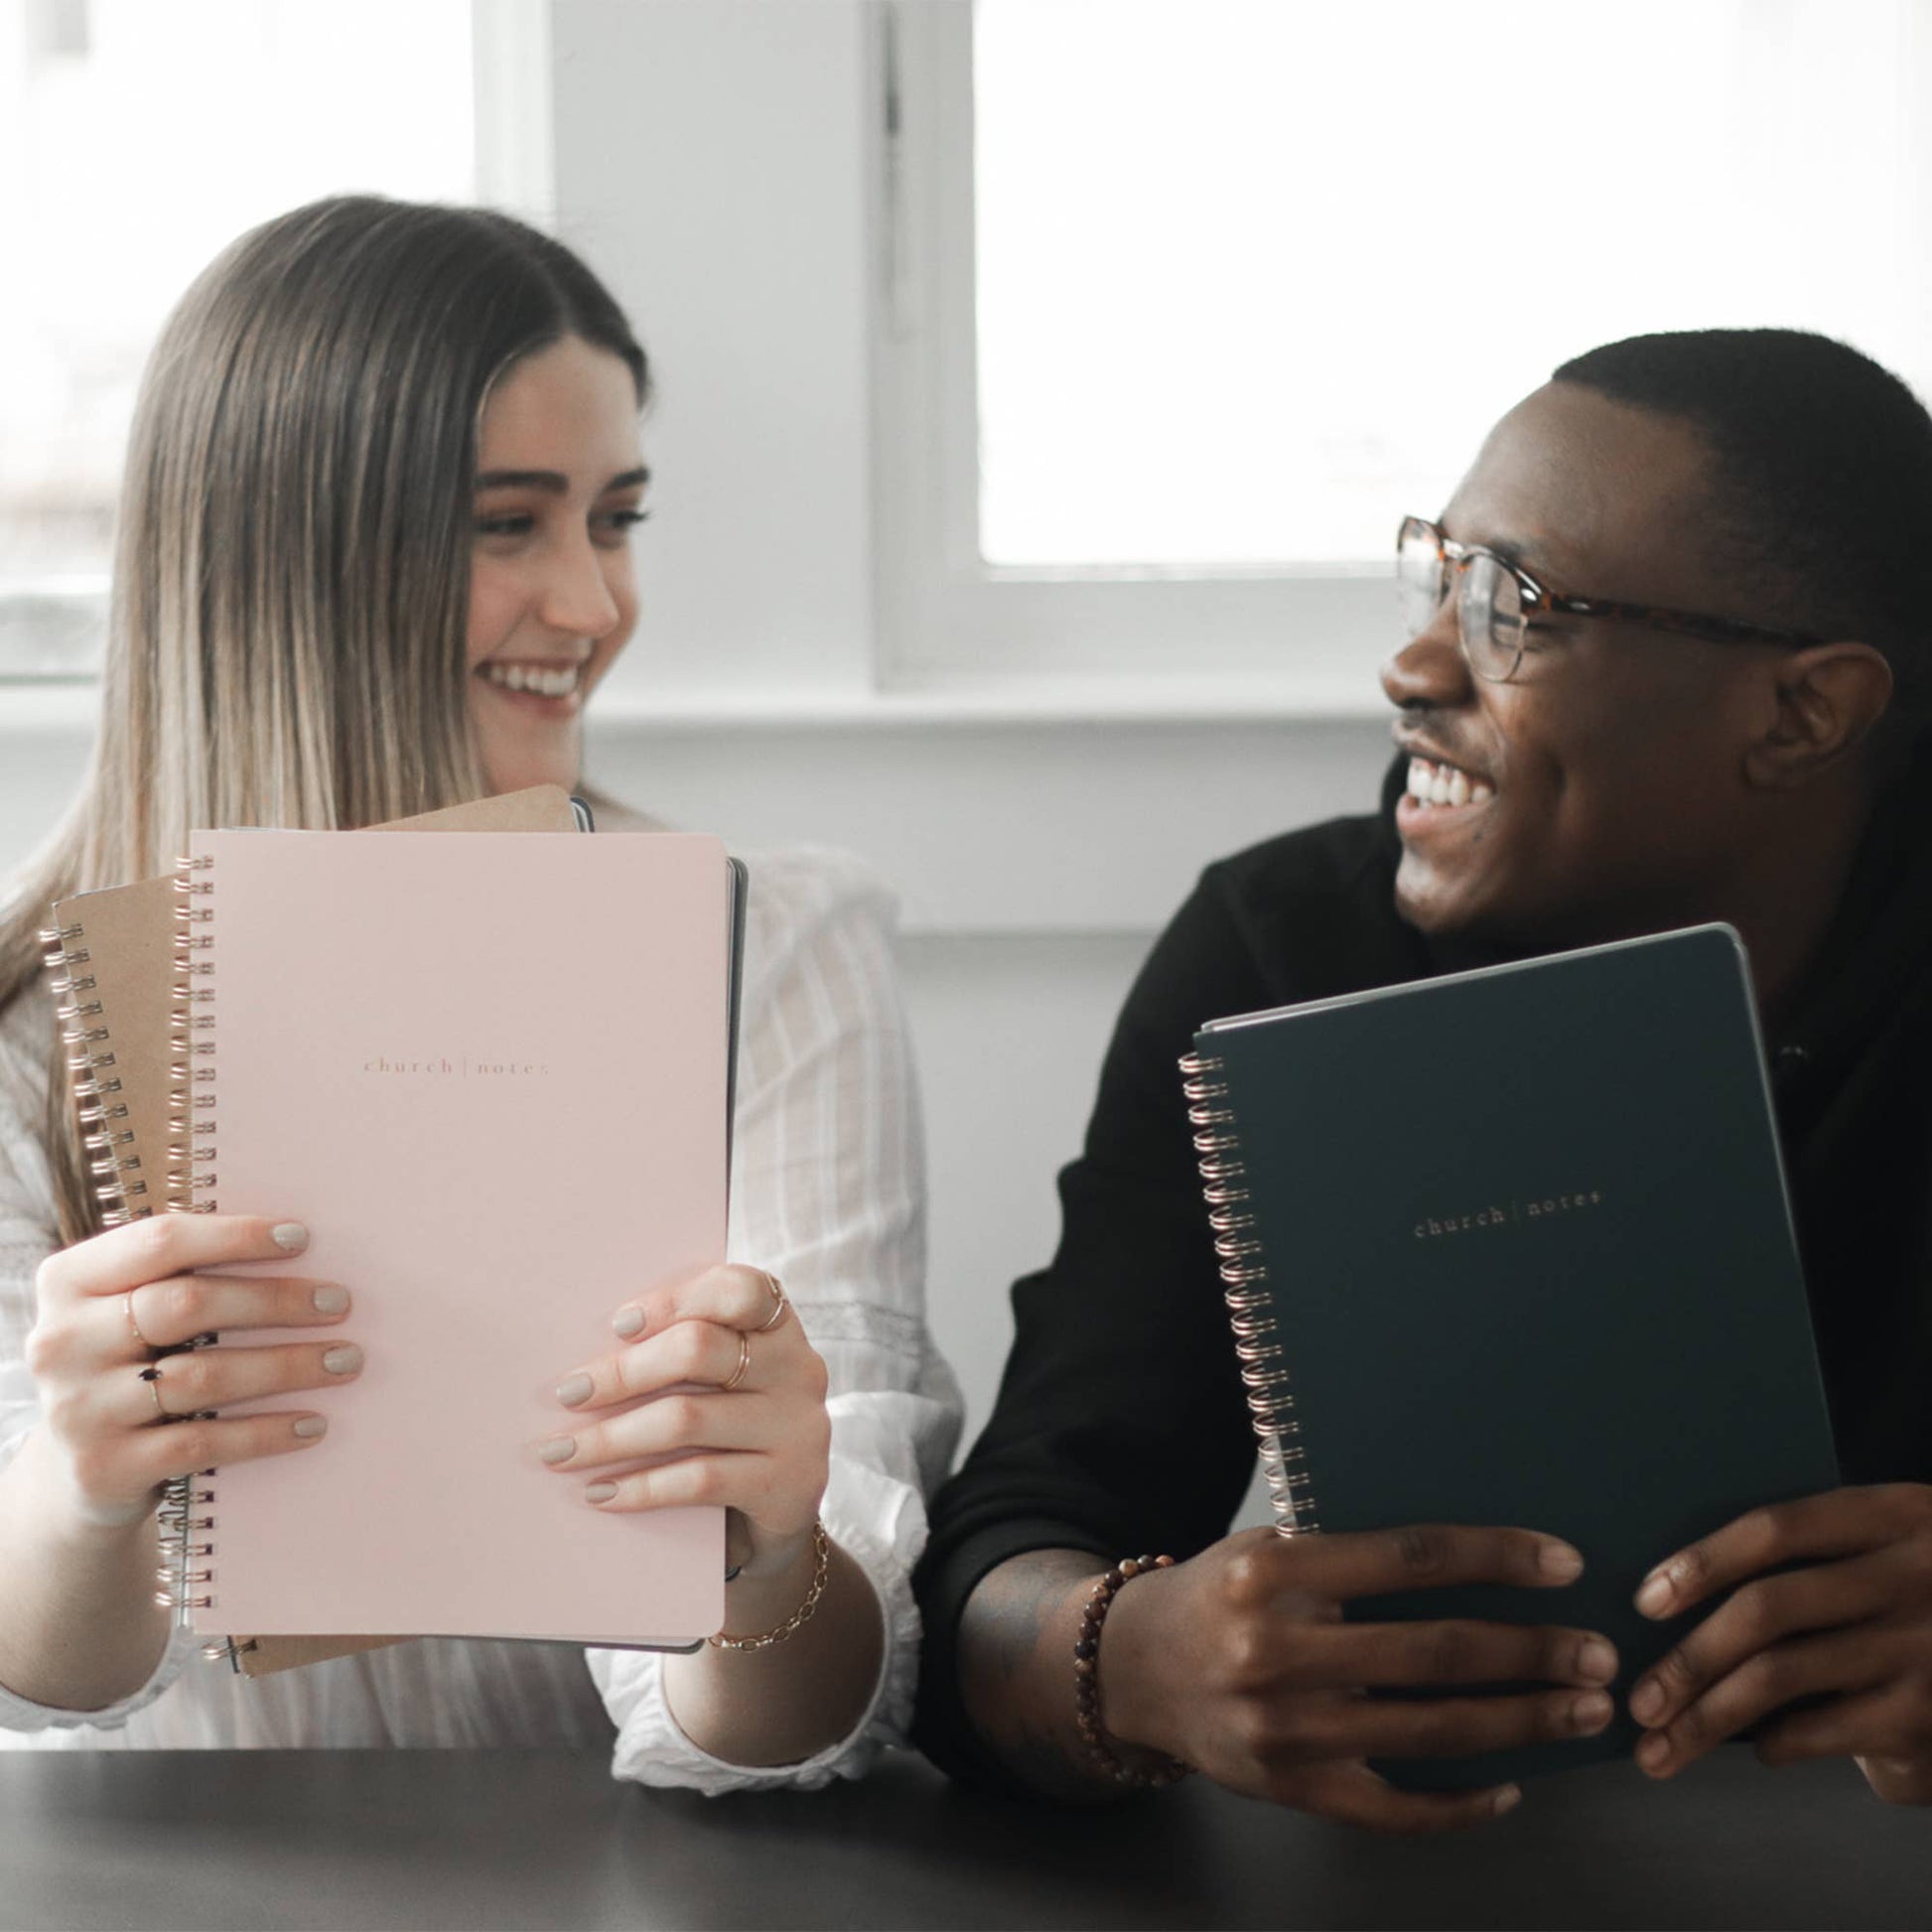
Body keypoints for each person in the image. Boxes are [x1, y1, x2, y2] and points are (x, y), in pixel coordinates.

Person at [0, 197, 961, 1786]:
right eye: (509, 525)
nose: (591, 606)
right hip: (166, 1878)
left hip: (622, 1876)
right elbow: (44, 1691)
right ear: (282, 564)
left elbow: (788, 1732)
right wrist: (82, 1483)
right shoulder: (32, 1027)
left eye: (616, 518)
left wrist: (768, 1549)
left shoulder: (777, 950)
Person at [913, 329, 1932, 1826]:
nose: (1412, 665)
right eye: (1439, 575)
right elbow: (1006, 1556)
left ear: (1800, 714)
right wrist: (1129, 1656)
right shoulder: (1284, 951)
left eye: (1516, 605)